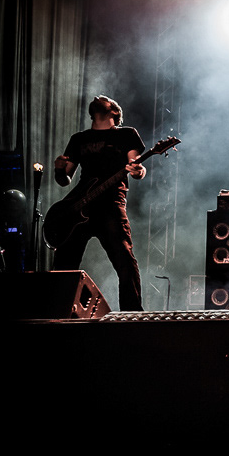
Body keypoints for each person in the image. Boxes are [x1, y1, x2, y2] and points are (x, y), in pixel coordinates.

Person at [52, 95, 146, 311]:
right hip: (79, 206)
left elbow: (136, 167)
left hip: (110, 205)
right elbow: (64, 180)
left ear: (115, 111)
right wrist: (58, 169)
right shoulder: (78, 139)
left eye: (104, 99)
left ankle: (131, 314)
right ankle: (59, 310)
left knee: (124, 260)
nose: (97, 97)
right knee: (64, 262)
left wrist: (138, 171)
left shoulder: (126, 134)